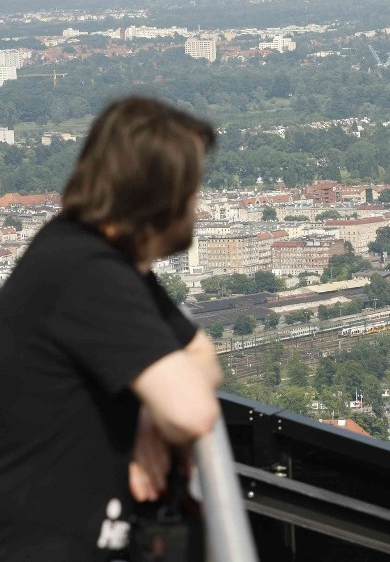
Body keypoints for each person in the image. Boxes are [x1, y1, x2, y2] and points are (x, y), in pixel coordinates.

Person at [0, 96, 223, 561]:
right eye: (192, 191)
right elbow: (192, 410)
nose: (198, 208)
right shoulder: (88, 273)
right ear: (160, 196)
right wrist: (160, 404)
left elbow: (201, 355)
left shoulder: (90, 254)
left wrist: (145, 408)